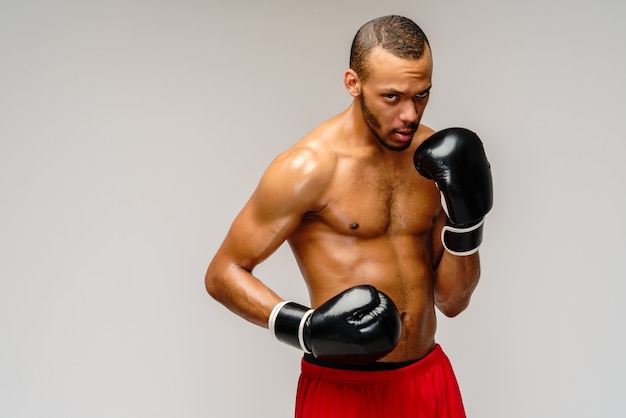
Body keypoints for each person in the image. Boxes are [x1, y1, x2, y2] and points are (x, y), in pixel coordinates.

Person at [205, 15, 492, 418]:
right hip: (343, 392)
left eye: (421, 94)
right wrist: (303, 328)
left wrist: (467, 226)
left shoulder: (432, 160)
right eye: (392, 97)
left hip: (427, 380)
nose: (410, 114)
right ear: (353, 83)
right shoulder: (308, 168)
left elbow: (453, 300)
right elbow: (222, 273)